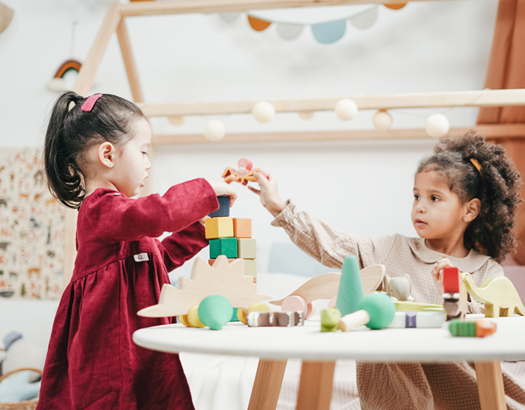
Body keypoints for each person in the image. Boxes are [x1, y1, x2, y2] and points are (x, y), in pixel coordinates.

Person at [250, 133, 525, 409]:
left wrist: (461, 302)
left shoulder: (486, 270)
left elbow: (502, 324)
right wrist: (276, 205)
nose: (419, 206)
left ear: (470, 210)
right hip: (397, 392)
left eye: (434, 198)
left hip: (463, 391)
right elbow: (331, 244)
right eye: (416, 196)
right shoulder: (392, 250)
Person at [37, 92, 237, 410]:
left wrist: (200, 227)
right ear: (108, 155)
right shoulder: (100, 210)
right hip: (110, 349)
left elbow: (159, 257)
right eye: (143, 152)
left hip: (141, 343)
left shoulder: (123, 221)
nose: (147, 163)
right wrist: (204, 190)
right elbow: (155, 215)